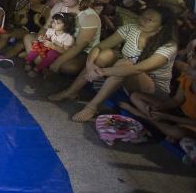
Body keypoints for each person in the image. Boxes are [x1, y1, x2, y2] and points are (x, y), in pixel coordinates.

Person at [49, 7, 178, 123]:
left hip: (151, 90)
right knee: (106, 54)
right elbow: (99, 47)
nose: (142, 20)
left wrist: (102, 72)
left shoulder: (169, 45)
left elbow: (139, 68)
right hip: (124, 77)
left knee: (124, 64)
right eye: (143, 16)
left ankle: (91, 108)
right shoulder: (131, 28)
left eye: (149, 20)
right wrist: (90, 65)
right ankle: (71, 91)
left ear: (161, 26)